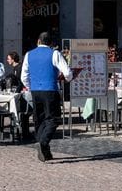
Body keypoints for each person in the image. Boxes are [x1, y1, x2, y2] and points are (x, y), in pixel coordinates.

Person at [21, 31, 72, 162]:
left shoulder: (28, 55)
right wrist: (66, 79)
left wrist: (31, 86)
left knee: (39, 119)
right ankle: (43, 142)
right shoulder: (54, 53)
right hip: (50, 89)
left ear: (38, 41)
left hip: (35, 91)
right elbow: (68, 73)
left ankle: (45, 149)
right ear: (51, 43)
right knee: (53, 118)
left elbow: (24, 76)